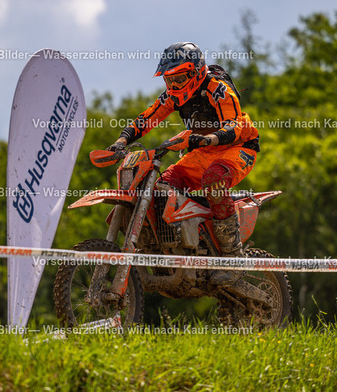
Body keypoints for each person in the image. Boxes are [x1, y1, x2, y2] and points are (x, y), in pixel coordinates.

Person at [106, 42, 259, 285]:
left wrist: (209, 138)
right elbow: (147, 117)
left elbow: (235, 125)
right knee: (163, 186)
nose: (175, 85)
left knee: (214, 179)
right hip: (203, 149)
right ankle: (177, 245)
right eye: (170, 80)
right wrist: (122, 140)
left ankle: (233, 256)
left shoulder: (218, 89)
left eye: (179, 78)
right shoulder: (173, 95)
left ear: (196, 71)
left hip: (237, 147)